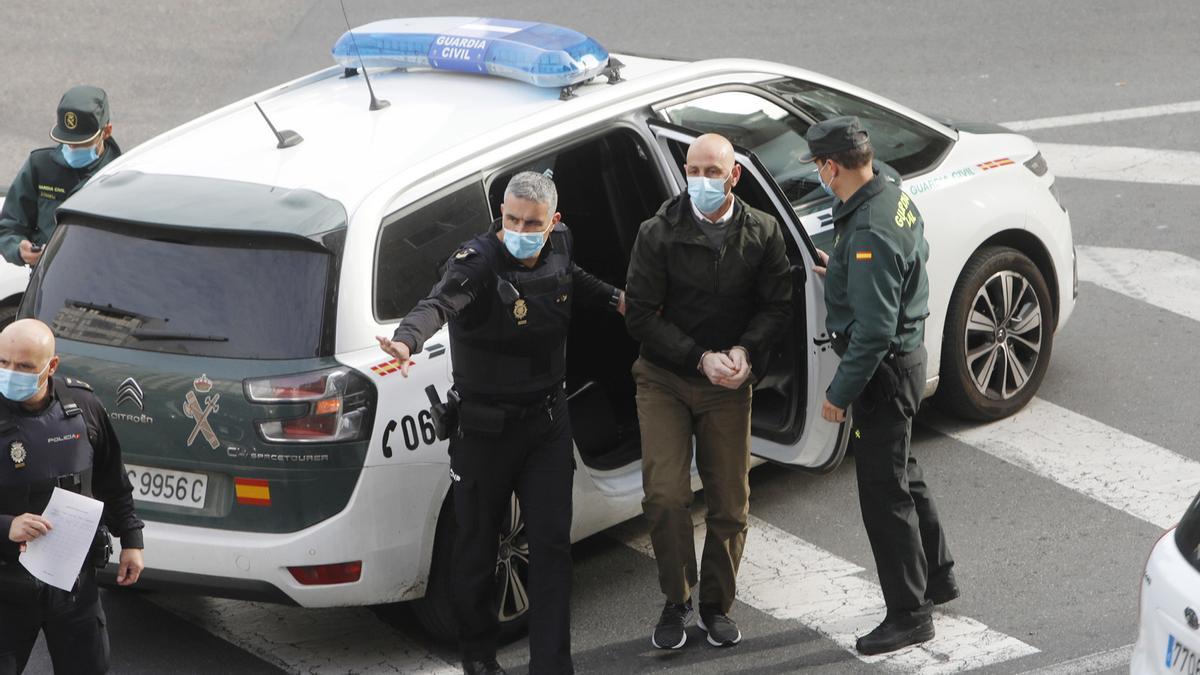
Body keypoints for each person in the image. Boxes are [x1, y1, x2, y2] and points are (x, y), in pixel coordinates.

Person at [376, 172, 624, 675]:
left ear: (552, 221)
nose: (518, 229)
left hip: (547, 425)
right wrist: (406, 340)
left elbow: (569, 276)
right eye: (510, 219)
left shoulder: (558, 243)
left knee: (553, 547)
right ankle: (479, 659)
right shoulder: (478, 262)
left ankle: (552, 666)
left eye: (531, 222)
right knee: (476, 549)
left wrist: (616, 299)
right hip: (485, 431)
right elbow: (437, 304)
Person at [624, 133, 791, 650]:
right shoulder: (657, 233)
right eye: (693, 170)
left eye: (712, 172)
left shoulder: (762, 232)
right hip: (665, 378)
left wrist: (745, 351)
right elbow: (641, 317)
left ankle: (716, 606)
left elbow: (778, 304)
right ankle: (677, 600)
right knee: (667, 496)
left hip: (727, 384)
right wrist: (698, 356)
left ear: (734, 176)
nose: (701, 181)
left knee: (730, 502)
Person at [805, 116, 956, 655]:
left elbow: (871, 332)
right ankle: (937, 578)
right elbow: (902, 265)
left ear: (830, 166)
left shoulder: (868, 228)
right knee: (905, 475)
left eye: (817, 167)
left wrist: (836, 396)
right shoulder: (888, 189)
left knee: (884, 496)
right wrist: (840, 271)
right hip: (907, 361)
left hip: (883, 373)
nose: (818, 175)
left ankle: (911, 615)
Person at [0, 319, 145, 674]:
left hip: (74, 584)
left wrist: (131, 539)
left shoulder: (82, 407)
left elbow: (113, 479)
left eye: (24, 366)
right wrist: (6, 526)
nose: (10, 373)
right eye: (2, 362)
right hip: (5, 587)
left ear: (51, 366)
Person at [0, 86, 122, 267]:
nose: (72, 149)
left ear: (106, 132)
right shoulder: (39, 166)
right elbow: (8, 227)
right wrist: (19, 249)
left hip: (98, 282)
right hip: (49, 281)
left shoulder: (120, 175)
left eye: (81, 143)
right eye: (67, 141)